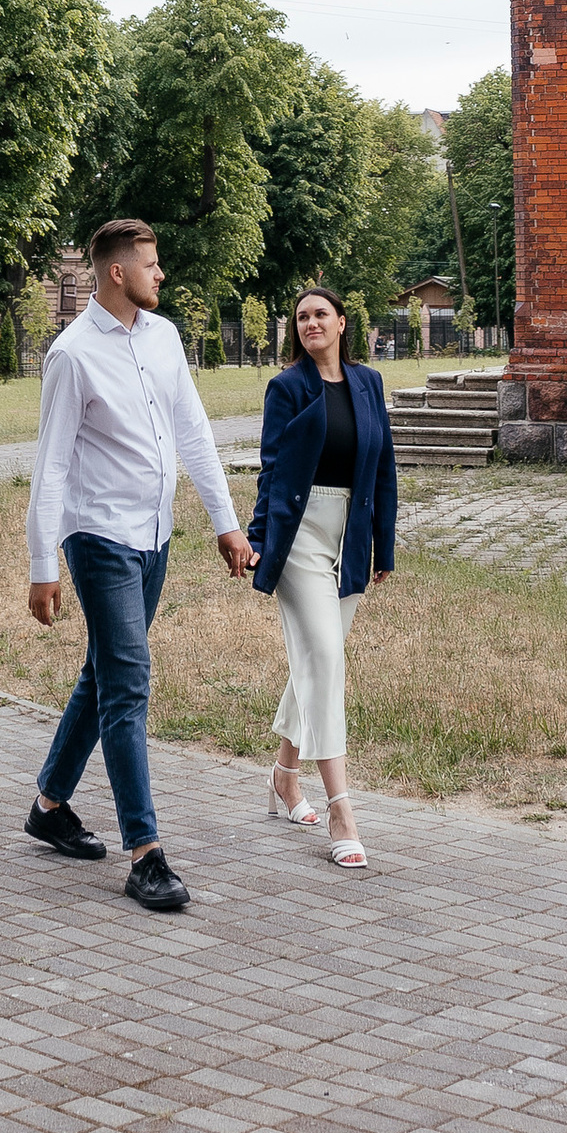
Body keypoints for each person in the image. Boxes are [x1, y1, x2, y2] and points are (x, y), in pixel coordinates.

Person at [22, 217, 255, 914]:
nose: (162, 275)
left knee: (105, 674)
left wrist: (225, 523)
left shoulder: (164, 337)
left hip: (155, 537)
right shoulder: (71, 355)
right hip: (99, 539)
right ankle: (145, 854)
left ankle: (48, 805)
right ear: (117, 272)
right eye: (151, 265)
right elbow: (51, 466)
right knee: (129, 682)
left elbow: (192, 429)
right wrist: (43, 563)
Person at [246, 285, 397, 872]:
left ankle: (285, 777)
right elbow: (272, 470)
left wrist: (383, 544)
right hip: (300, 537)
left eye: (320, 315)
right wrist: (259, 543)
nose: (311, 323)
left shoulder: (369, 384)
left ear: (340, 324)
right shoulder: (287, 389)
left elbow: (383, 468)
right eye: (302, 317)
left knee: (316, 659)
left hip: (351, 539)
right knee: (327, 658)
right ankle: (341, 808)